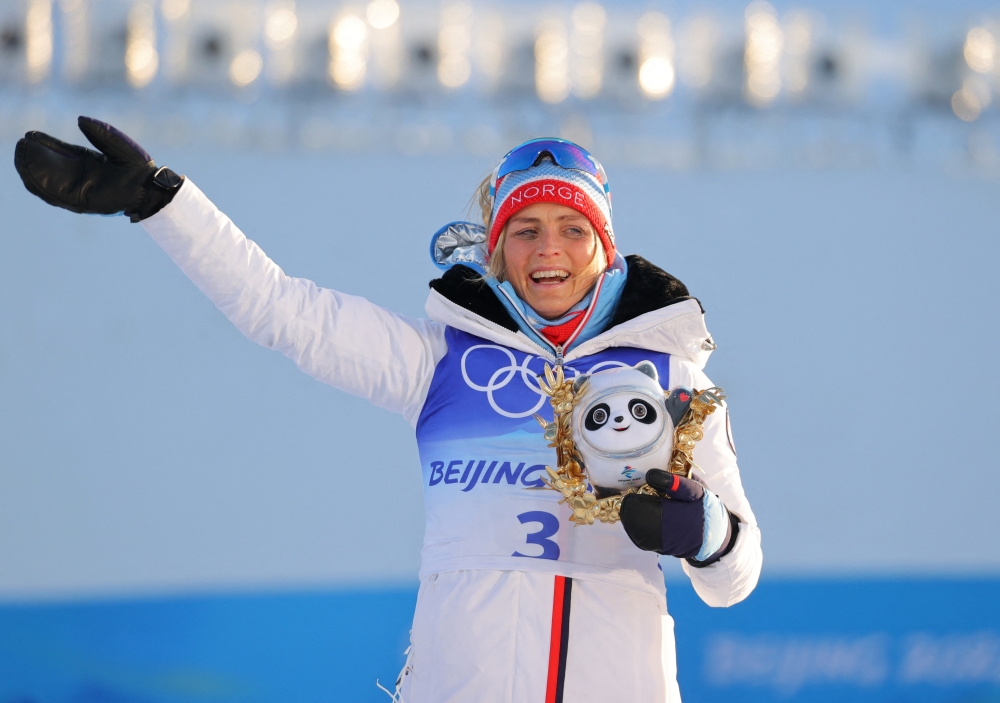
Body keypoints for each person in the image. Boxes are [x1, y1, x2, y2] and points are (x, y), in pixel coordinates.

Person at [14, 118, 762, 702]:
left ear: (605, 247)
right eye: (525, 230)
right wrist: (161, 202)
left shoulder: (672, 381)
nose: (549, 249)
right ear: (496, 251)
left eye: (573, 229)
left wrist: (704, 532)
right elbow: (282, 310)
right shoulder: (438, 360)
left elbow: (736, 575)